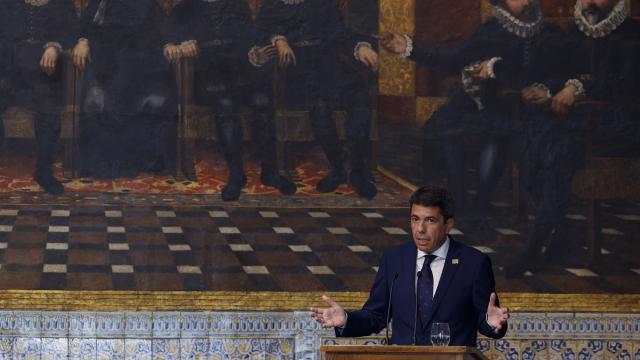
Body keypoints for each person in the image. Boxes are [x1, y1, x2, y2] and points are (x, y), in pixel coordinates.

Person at [381, 0, 564, 239]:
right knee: (449, 128)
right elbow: (454, 58)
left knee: (496, 134)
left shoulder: (549, 33)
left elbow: (539, 72)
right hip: (483, 103)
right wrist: (409, 48)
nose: (527, 1)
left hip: (520, 109)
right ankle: (462, 207)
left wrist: (497, 67)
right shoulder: (491, 30)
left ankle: (478, 208)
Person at [507, 0, 640, 274]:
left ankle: (538, 240)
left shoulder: (632, 36)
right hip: (582, 120)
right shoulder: (574, 33)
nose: (590, 1)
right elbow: (563, 75)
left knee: (561, 148)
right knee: (531, 138)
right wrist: (549, 89)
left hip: (622, 124)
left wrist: (579, 89)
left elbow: (624, 87)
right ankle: (559, 230)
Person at [310, 185, 509, 346]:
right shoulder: (394, 259)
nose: (420, 229)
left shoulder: (473, 263)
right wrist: (346, 320)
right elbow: (376, 315)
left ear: (448, 224)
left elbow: (487, 319)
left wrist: (492, 324)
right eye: (415, 219)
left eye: (430, 220)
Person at [168, 0, 296, 201]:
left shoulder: (236, 4)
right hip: (206, 76)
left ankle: (270, 172)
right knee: (226, 104)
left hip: (239, 72)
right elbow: (169, 41)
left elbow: (249, 39)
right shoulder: (185, 7)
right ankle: (237, 174)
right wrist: (181, 45)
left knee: (262, 101)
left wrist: (257, 54)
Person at [255, 0, 379, 199]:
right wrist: (278, 40)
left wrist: (360, 47)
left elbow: (340, 34)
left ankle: (357, 173)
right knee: (319, 106)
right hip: (293, 69)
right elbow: (258, 31)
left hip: (328, 64)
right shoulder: (273, 4)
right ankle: (338, 168)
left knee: (360, 101)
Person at [72, 0, 178, 178]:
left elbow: (161, 29)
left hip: (142, 64)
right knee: (100, 94)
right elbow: (85, 26)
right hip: (106, 64)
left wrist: (168, 44)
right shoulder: (99, 3)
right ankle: (106, 161)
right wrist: (83, 41)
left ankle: (133, 160)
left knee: (128, 88)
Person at [1, 0, 81, 194]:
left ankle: (44, 170)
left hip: (44, 70)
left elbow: (73, 33)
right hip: (9, 68)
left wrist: (54, 47)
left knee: (48, 107)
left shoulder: (61, 4)